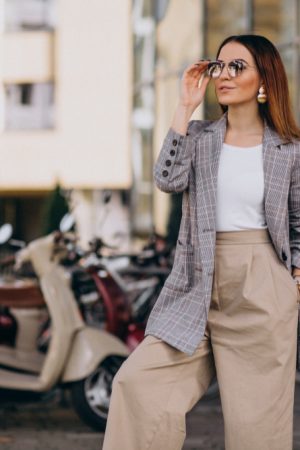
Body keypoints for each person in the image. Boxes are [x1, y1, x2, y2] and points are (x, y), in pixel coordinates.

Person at [102, 34, 300, 450]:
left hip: (262, 287)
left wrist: (294, 280)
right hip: (195, 282)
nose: (223, 75)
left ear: (264, 80)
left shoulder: (289, 151)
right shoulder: (200, 136)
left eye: (237, 67)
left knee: (256, 431)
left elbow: (298, 222)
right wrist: (184, 107)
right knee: (137, 386)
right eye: (219, 66)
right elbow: (166, 179)